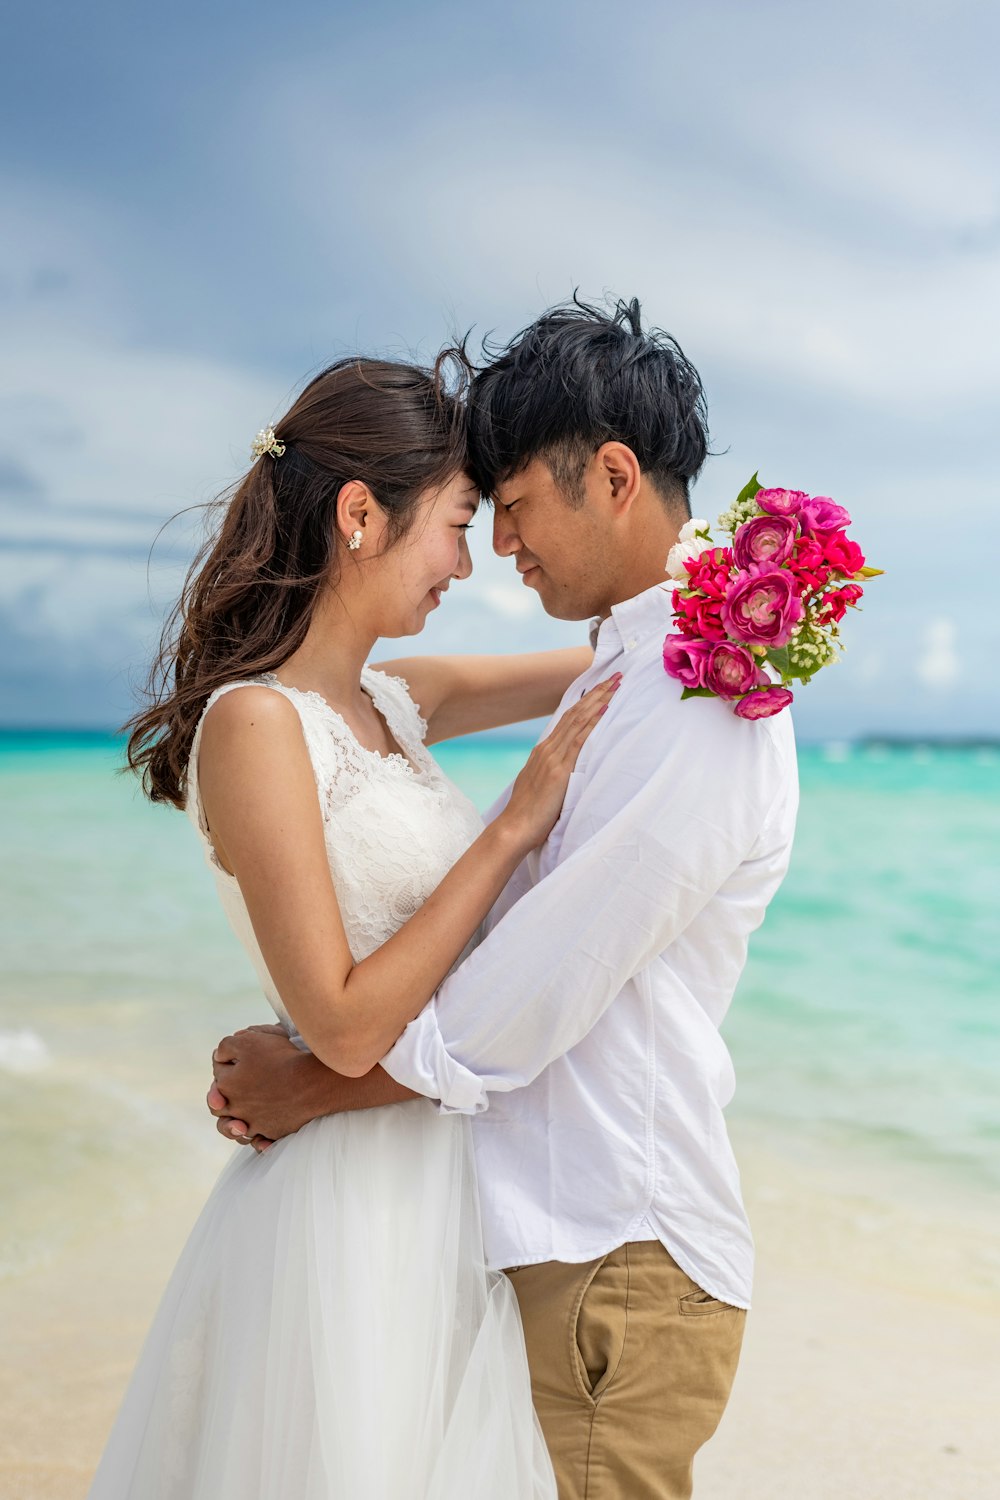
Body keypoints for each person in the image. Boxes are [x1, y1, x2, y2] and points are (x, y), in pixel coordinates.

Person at [209, 297, 800, 1500]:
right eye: (466, 520)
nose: (492, 554)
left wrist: (314, 1083)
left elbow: (532, 994)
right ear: (360, 516)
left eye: (508, 510)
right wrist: (739, 590)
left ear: (616, 476)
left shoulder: (698, 697)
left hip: (604, 1240)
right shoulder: (642, 666)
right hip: (500, 1226)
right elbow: (595, 664)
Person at [91, 352, 622, 1499]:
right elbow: (336, 1023)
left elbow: (602, 666)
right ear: (358, 517)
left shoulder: (397, 700)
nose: (467, 561)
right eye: (457, 522)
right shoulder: (254, 725)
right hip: (347, 1210)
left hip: (451, 1173)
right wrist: (511, 830)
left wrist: (742, 602)